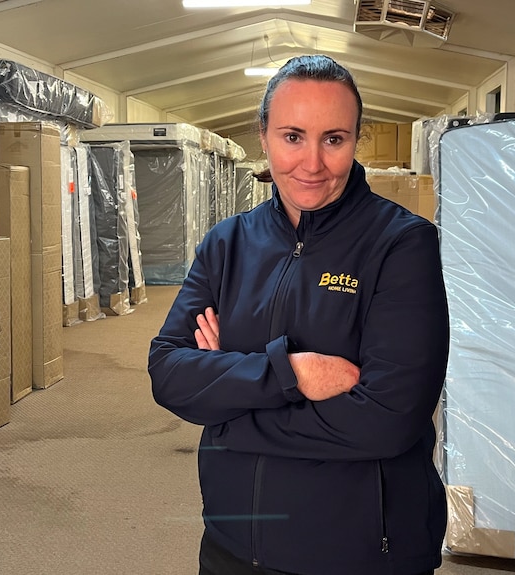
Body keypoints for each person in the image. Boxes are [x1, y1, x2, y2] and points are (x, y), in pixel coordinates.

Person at [148, 54, 450, 575]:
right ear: (262, 136)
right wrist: (292, 373)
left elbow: (388, 421)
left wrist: (228, 404)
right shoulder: (228, 244)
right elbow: (169, 374)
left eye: (334, 139)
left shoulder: (401, 245)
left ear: (356, 139)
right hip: (232, 547)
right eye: (292, 137)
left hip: (358, 554)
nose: (312, 163)